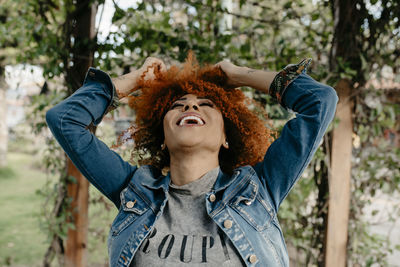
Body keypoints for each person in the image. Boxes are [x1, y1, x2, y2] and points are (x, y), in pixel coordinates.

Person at [46, 54, 338, 267]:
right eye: (177, 105)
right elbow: (65, 120)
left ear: (227, 137)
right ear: (162, 136)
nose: (190, 104)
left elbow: (320, 102)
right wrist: (137, 78)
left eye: (206, 104)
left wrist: (238, 75)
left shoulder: (259, 188)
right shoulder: (135, 190)